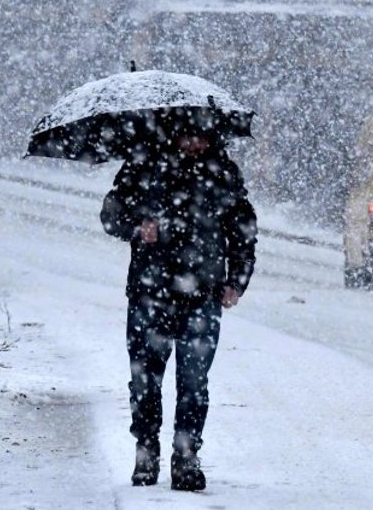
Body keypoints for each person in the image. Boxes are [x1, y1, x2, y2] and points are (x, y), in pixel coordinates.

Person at [100, 117, 257, 492]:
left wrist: (237, 281)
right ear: (174, 132)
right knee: (145, 378)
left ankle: (186, 456)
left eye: (202, 136)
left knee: (194, 382)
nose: (195, 142)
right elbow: (110, 215)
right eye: (189, 134)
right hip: (149, 294)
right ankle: (146, 449)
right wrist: (138, 227)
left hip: (201, 295)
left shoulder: (222, 173)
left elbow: (243, 230)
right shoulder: (144, 164)